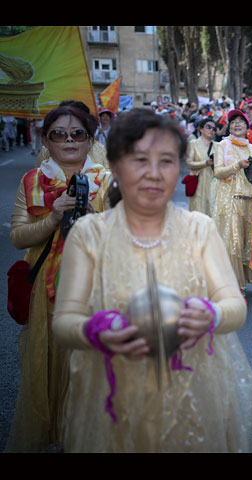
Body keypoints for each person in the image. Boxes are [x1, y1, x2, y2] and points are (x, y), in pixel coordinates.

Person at [51, 108, 252, 452]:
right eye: (139, 160)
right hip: (113, 399)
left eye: (166, 161)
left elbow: (234, 304)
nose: (153, 174)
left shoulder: (199, 228)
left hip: (194, 392)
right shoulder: (90, 234)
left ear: (178, 169)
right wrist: (97, 330)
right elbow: (64, 321)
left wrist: (212, 316)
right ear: (114, 166)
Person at [5, 105, 111, 453]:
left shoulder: (108, 180)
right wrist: (53, 217)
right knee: (48, 367)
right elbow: (19, 237)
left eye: (77, 133)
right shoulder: (32, 181)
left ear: (89, 138)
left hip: (94, 289)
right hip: (45, 293)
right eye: (58, 134)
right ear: (46, 140)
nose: (68, 140)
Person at [211, 109, 252, 294]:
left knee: (246, 241)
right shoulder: (222, 146)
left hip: (249, 199)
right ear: (229, 127)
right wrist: (237, 165)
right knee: (233, 242)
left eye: (241, 121)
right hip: (230, 199)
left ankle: (244, 279)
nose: (237, 124)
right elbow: (218, 173)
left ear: (247, 127)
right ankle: (234, 285)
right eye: (233, 122)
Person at [185, 117, 217, 217]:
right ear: (201, 129)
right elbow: (188, 163)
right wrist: (205, 163)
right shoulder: (193, 144)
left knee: (212, 214)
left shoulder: (218, 146)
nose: (211, 130)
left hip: (213, 184)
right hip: (198, 184)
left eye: (214, 129)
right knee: (197, 214)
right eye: (208, 127)